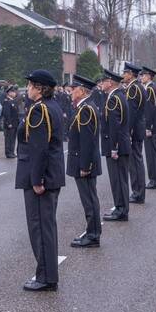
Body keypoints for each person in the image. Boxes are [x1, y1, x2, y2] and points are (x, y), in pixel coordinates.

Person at [16, 69, 65, 291]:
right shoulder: (51, 106)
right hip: (51, 174)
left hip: (41, 178)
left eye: (30, 85)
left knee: (40, 228)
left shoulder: (39, 110)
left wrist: (37, 180)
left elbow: (39, 148)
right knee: (46, 227)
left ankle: (46, 277)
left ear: (39, 88)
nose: (27, 89)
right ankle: (47, 274)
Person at [67, 74, 102, 248]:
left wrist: (85, 166)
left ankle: (93, 235)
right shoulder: (84, 107)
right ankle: (92, 232)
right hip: (83, 161)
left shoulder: (85, 109)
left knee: (89, 200)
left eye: (74, 89)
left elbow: (87, 141)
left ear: (82, 91)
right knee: (89, 198)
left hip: (84, 163)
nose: (71, 91)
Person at [99, 70, 130, 221]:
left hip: (117, 145)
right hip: (122, 143)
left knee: (117, 179)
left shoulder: (113, 99)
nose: (101, 84)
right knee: (120, 178)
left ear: (110, 82)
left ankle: (120, 210)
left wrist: (114, 147)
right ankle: (122, 208)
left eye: (103, 81)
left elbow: (114, 126)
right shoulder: (119, 96)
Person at [122, 63, 147, 204]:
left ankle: (138, 193)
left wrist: (128, 132)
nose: (123, 75)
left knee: (135, 162)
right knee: (137, 160)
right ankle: (139, 192)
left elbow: (131, 113)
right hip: (138, 128)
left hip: (134, 130)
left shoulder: (133, 89)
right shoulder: (138, 87)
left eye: (125, 73)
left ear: (131, 74)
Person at [140, 67, 156, 189]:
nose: (141, 77)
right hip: (153, 127)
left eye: (143, 75)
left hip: (152, 128)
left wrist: (148, 127)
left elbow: (150, 110)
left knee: (152, 155)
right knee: (153, 155)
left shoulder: (150, 89)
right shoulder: (151, 88)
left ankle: (154, 181)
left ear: (149, 76)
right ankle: (155, 180)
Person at [1, 86, 19, 159]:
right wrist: (9, 123)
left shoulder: (13, 101)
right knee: (9, 139)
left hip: (14, 123)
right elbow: (6, 113)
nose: (15, 93)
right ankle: (8, 153)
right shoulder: (7, 102)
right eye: (13, 92)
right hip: (10, 124)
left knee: (13, 138)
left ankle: (12, 152)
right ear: (9, 93)